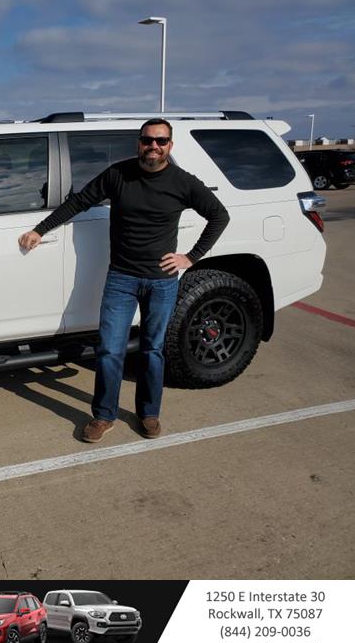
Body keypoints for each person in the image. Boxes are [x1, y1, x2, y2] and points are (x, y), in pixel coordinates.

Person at [18, 118, 229, 442]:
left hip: (162, 282)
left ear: (170, 146)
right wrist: (40, 229)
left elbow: (219, 215)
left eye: (161, 141)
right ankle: (104, 416)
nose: (153, 146)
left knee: (152, 350)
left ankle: (149, 413)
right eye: (148, 140)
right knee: (109, 350)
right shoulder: (118, 174)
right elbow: (79, 201)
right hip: (121, 278)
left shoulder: (182, 182)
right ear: (139, 143)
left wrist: (191, 257)